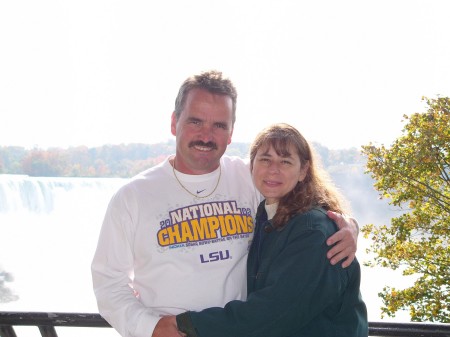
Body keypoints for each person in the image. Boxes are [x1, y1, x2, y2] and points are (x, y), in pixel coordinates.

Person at [91, 70, 360, 337]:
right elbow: (108, 282)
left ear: (231, 133)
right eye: (196, 121)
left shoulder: (253, 177)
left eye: (219, 125)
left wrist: (345, 225)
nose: (206, 136)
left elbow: (304, 202)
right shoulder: (133, 197)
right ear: (174, 123)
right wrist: (150, 328)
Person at [168, 123, 368, 337]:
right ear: (252, 165)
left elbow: (274, 314)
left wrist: (186, 325)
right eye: (265, 159)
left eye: (285, 161)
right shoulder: (268, 216)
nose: (274, 169)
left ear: (303, 171)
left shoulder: (314, 231)